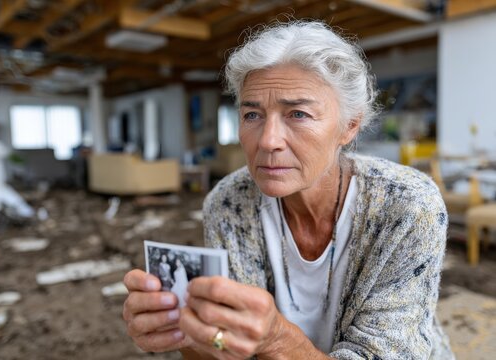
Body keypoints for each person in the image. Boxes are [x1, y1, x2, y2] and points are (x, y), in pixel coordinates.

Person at [123, 21, 453, 359]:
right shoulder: (229, 203)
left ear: (349, 126)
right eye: (252, 114)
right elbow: (227, 346)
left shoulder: (408, 206)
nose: (267, 141)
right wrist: (189, 334)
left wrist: (278, 341)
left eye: (298, 113)